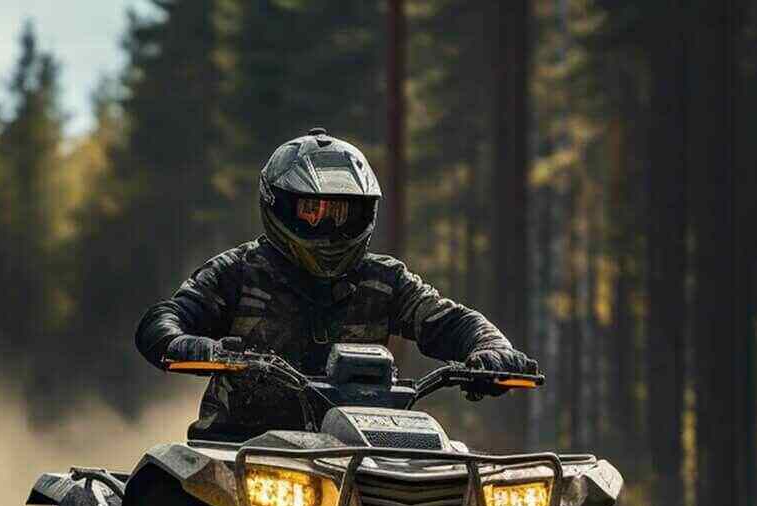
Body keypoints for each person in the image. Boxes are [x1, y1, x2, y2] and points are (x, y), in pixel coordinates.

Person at [136, 128, 538, 439]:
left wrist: (493, 350)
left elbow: (452, 321)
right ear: (279, 205)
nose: (329, 224)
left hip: (362, 454)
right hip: (238, 451)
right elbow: (163, 320)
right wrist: (189, 345)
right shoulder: (239, 272)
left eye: (343, 212)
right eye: (312, 210)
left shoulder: (385, 280)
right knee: (180, 494)